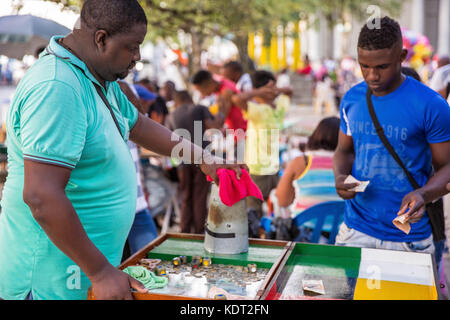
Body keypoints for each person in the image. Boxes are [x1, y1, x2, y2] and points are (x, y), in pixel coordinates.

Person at [0, 0, 246, 300]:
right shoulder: (57, 86)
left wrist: (205, 159)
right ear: (101, 38)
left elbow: (139, 126)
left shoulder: (96, 78)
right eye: (132, 46)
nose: (137, 57)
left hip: (81, 276)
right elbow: (41, 196)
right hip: (48, 283)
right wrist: (100, 272)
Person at [333, 16, 450, 262]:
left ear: (402, 56)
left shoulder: (431, 105)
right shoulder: (352, 100)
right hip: (355, 231)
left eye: (382, 66)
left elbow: (447, 167)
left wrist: (424, 194)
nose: (372, 75)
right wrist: (340, 178)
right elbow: (344, 151)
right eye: (364, 66)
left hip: (409, 238)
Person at [233, 70, 292, 230]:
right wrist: (259, 91)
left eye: (275, 87)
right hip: (256, 170)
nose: (273, 91)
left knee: (278, 212)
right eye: (270, 88)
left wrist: (275, 89)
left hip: (273, 168)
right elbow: (237, 99)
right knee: (254, 215)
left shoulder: (277, 107)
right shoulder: (256, 110)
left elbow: (289, 91)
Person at [166, 90, 224, 234]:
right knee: (200, 196)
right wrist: (222, 111)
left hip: (182, 161)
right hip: (202, 158)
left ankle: (184, 231)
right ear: (189, 98)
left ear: (177, 102)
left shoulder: (171, 116)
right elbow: (213, 126)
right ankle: (199, 233)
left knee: (186, 196)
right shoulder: (199, 108)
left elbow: (167, 139)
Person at [272, 117, 341, 219]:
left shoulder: (302, 162)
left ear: (316, 135)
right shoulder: (352, 165)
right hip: (342, 232)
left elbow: (282, 201)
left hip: (305, 230)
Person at [191, 69, 247, 134]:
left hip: (242, 132)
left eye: (201, 90)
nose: (202, 94)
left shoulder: (225, 92)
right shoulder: (221, 85)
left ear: (209, 83)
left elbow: (220, 121)